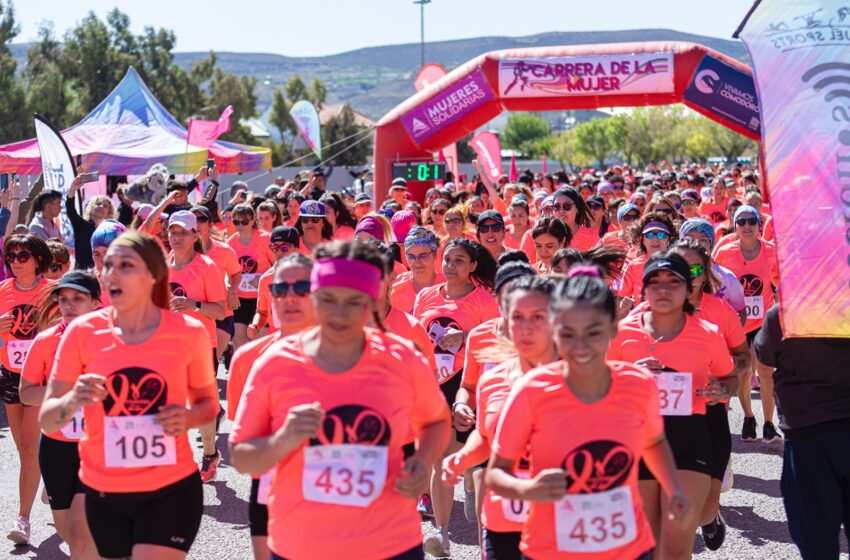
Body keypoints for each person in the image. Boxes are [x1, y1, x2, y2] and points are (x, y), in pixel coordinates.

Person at [228, 240, 452, 560]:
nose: (338, 313)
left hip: (391, 545)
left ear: (372, 302)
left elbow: (436, 420)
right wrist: (283, 439)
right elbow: (242, 457)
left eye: (354, 302)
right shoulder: (276, 363)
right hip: (302, 547)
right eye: (328, 299)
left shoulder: (401, 359)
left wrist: (421, 461)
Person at [487, 266, 689, 560]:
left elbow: (654, 442)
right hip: (551, 552)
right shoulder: (533, 390)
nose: (580, 347)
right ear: (555, 330)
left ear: (612, 328)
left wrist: (675, 490)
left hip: (629, 549)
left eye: (592, 333)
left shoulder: (639, 384)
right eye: (568, 334)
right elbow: (495, 473)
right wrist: (528, 489)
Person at [39, 232, 219, 559]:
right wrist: (73, 399)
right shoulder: (83, 333)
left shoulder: (188, 332)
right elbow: (48, 417)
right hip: (104, 491)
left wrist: (190, 417)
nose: (113, 274)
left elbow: (210, 406)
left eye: (125, 265)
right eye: (108, 266)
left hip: (171, 488)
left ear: (153, 275)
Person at [608, 253, 736, 558]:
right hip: (638, 440)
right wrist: (631, 372)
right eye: (655, 282)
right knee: (650, 541)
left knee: (677, 540)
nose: (663, 289)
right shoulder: (623, 331)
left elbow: (729, 376)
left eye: (673, 282)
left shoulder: (707, 333)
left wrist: (721, 389)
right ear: (644, 289)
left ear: (687, 288)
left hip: (688, 437)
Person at [445, 274, 557, 560]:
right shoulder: (492, 381)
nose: (526, 327)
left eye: (538, 317)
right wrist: (463, 458)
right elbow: (486, 436)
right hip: (504, 517)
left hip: (561, 519)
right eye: (516, 317)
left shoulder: (578, 381)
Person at [226, 253, 316, 560]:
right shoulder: (248, 359)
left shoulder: (350, 354)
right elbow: (242, 447)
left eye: (301, 288)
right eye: (279, 290)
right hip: (270, 487)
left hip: (331, 487)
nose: (289, 297)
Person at [413, 238, 499, 558]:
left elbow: (493, 343)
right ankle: (443, 534)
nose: (450, 266)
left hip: (469, 385)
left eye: (459, 261)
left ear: (473, 266)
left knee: (476, 462)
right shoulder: (425, 296)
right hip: (433, 385)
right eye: (447, 260)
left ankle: (477, 502)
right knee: (441, 459)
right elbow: (415, 337)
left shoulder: (485, 301)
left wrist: (464, 336)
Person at [754, 304, 850, 560]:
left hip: (807, 435)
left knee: (816, 543)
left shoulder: (785, 312)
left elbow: (764, 367)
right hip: (808, 434)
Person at [19, 271, 101, 558]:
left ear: (95, 303)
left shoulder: (111, 340)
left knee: (85, 523)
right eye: (64, 299)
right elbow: (26, 393)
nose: (69, 305)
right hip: (56, 444)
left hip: (98, 444)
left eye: (78, 299)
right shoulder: (45, 341)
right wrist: (64, 391)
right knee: (66, 528)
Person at [166, 211, 228, 482]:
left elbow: (220, 311)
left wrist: (195, 306)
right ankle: (176, 460)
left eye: (182, 233)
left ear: (195, 236)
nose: (176, 238)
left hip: (201, 344)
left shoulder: (206, 266)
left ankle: (210, 453)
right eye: (172, 232)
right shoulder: (163, 265)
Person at [0, 234, 54, 545]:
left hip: (40, 378)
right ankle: (51, 476)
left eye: (23, 255)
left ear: (37, 259)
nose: (16, 261)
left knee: (30, 448)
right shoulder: (3, 290)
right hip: (10, 375)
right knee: (23, 449)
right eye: (12, 256)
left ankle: (23, 520)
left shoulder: (50, 292)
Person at [713, 205, 781, 443]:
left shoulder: (772, 251)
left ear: (759, 225)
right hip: (738, 323)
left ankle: (770, 424)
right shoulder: (724, 252)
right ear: (735, 226)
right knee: (743, 374)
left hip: (763, 321)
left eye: (752, 221)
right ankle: (749, 417)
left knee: (765, 373)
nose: (747, 226)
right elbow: (714, 280)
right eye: (741, 222)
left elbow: (778, 279)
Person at [193, 205, 242, 368]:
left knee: (210, 365)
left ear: (210, 224)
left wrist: (233, 290)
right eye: (193, 220)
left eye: (201, 220)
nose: (197, 224)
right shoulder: (180, 252)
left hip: (221, 312)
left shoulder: (224, 250)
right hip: (194, 313)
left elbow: (236, 273)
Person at [227, 203, 275, 351]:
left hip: (261, 298)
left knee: (259, 343)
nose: (240, 225)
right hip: (239, 298)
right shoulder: (231, 243)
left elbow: (277, 264)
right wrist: (230, 289)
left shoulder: (265, 239)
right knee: (239, 340)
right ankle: (244, 372)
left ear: (253, 220)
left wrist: (262, 278)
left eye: (244, 221)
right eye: (236, 222)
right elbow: (227, 272)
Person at [248, 226, 301, 338]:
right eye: (275, 247)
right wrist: (255, 325)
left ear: (296, 248)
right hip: (277, 339)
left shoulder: (309, 274)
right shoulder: (265, 279)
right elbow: (262, 312)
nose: (279, 252)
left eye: (285, 248)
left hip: (303, 339)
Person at [617, 213, 678, 307]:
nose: (655, 239)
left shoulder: (678, 264)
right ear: (643, 240)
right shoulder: (633, 266)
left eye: (661, 235)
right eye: (649, 235)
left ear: (669, 239)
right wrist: (628, 304)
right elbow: (621, 295)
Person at [66, 174, 117, 269]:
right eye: (98, 204)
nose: (101, 206)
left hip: (103, 272)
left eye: (105, 206)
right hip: (82, 272)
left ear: (109, 212)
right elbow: (70, 210)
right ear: (91, 207)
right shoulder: (81, 225)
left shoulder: (111, 230)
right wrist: (72, 190)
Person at [391, 228, 443, 314]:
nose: (417, 261)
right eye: (411, 256)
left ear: (434, 255)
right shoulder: (394, 286)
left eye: (423, 255)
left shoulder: (447, 287)